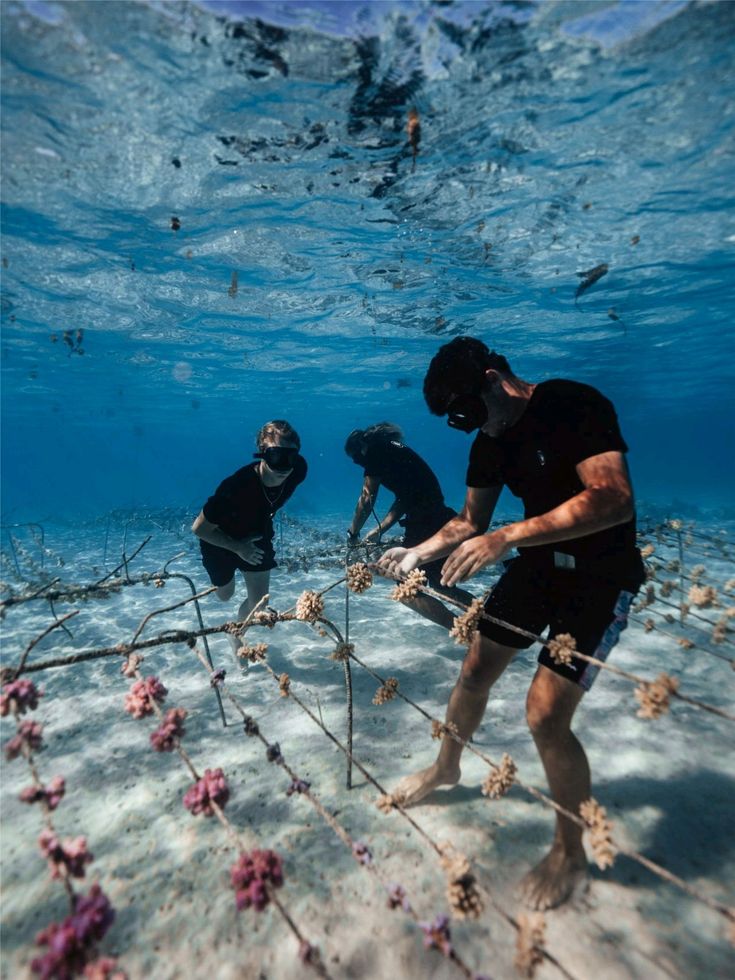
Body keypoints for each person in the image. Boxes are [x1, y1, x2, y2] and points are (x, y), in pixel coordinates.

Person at [378, 337, 645, 911]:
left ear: (496, 378)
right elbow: (471, 520)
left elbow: (614, 498)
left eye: (469, 411)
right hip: (540, 569)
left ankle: (570, 851)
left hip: (601, 576)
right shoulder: (489, 442)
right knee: (474, 668)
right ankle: (446, 768)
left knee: (544, 715)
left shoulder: (575, 404)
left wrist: (510, 536)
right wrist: (417, 553)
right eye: (456, 421)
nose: (471, 427)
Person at [345, 422, 474, 629]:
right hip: (437, 516)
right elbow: (405, 498)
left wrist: (353, 533)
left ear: (361, 449)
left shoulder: (375, 452)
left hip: (425, 521)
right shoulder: (392, 448)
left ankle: (465, 632)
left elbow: (367, 498)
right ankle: (487, 623)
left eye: (356, 459)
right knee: (442, 586)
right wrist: (379, 530)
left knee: (406, 589)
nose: (358, 464)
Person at [192, 420, 307, 653]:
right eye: (276, 456)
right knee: (225, 595)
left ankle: (236, 637)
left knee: (260, 601)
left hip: (256, 535)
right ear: (262, 454)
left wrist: (249, 542)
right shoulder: (236, 486)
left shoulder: (299, 470)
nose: (284, 466)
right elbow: (199, 528)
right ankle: (223, 579)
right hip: (218, 539)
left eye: (290, 457)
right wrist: (238, 548)